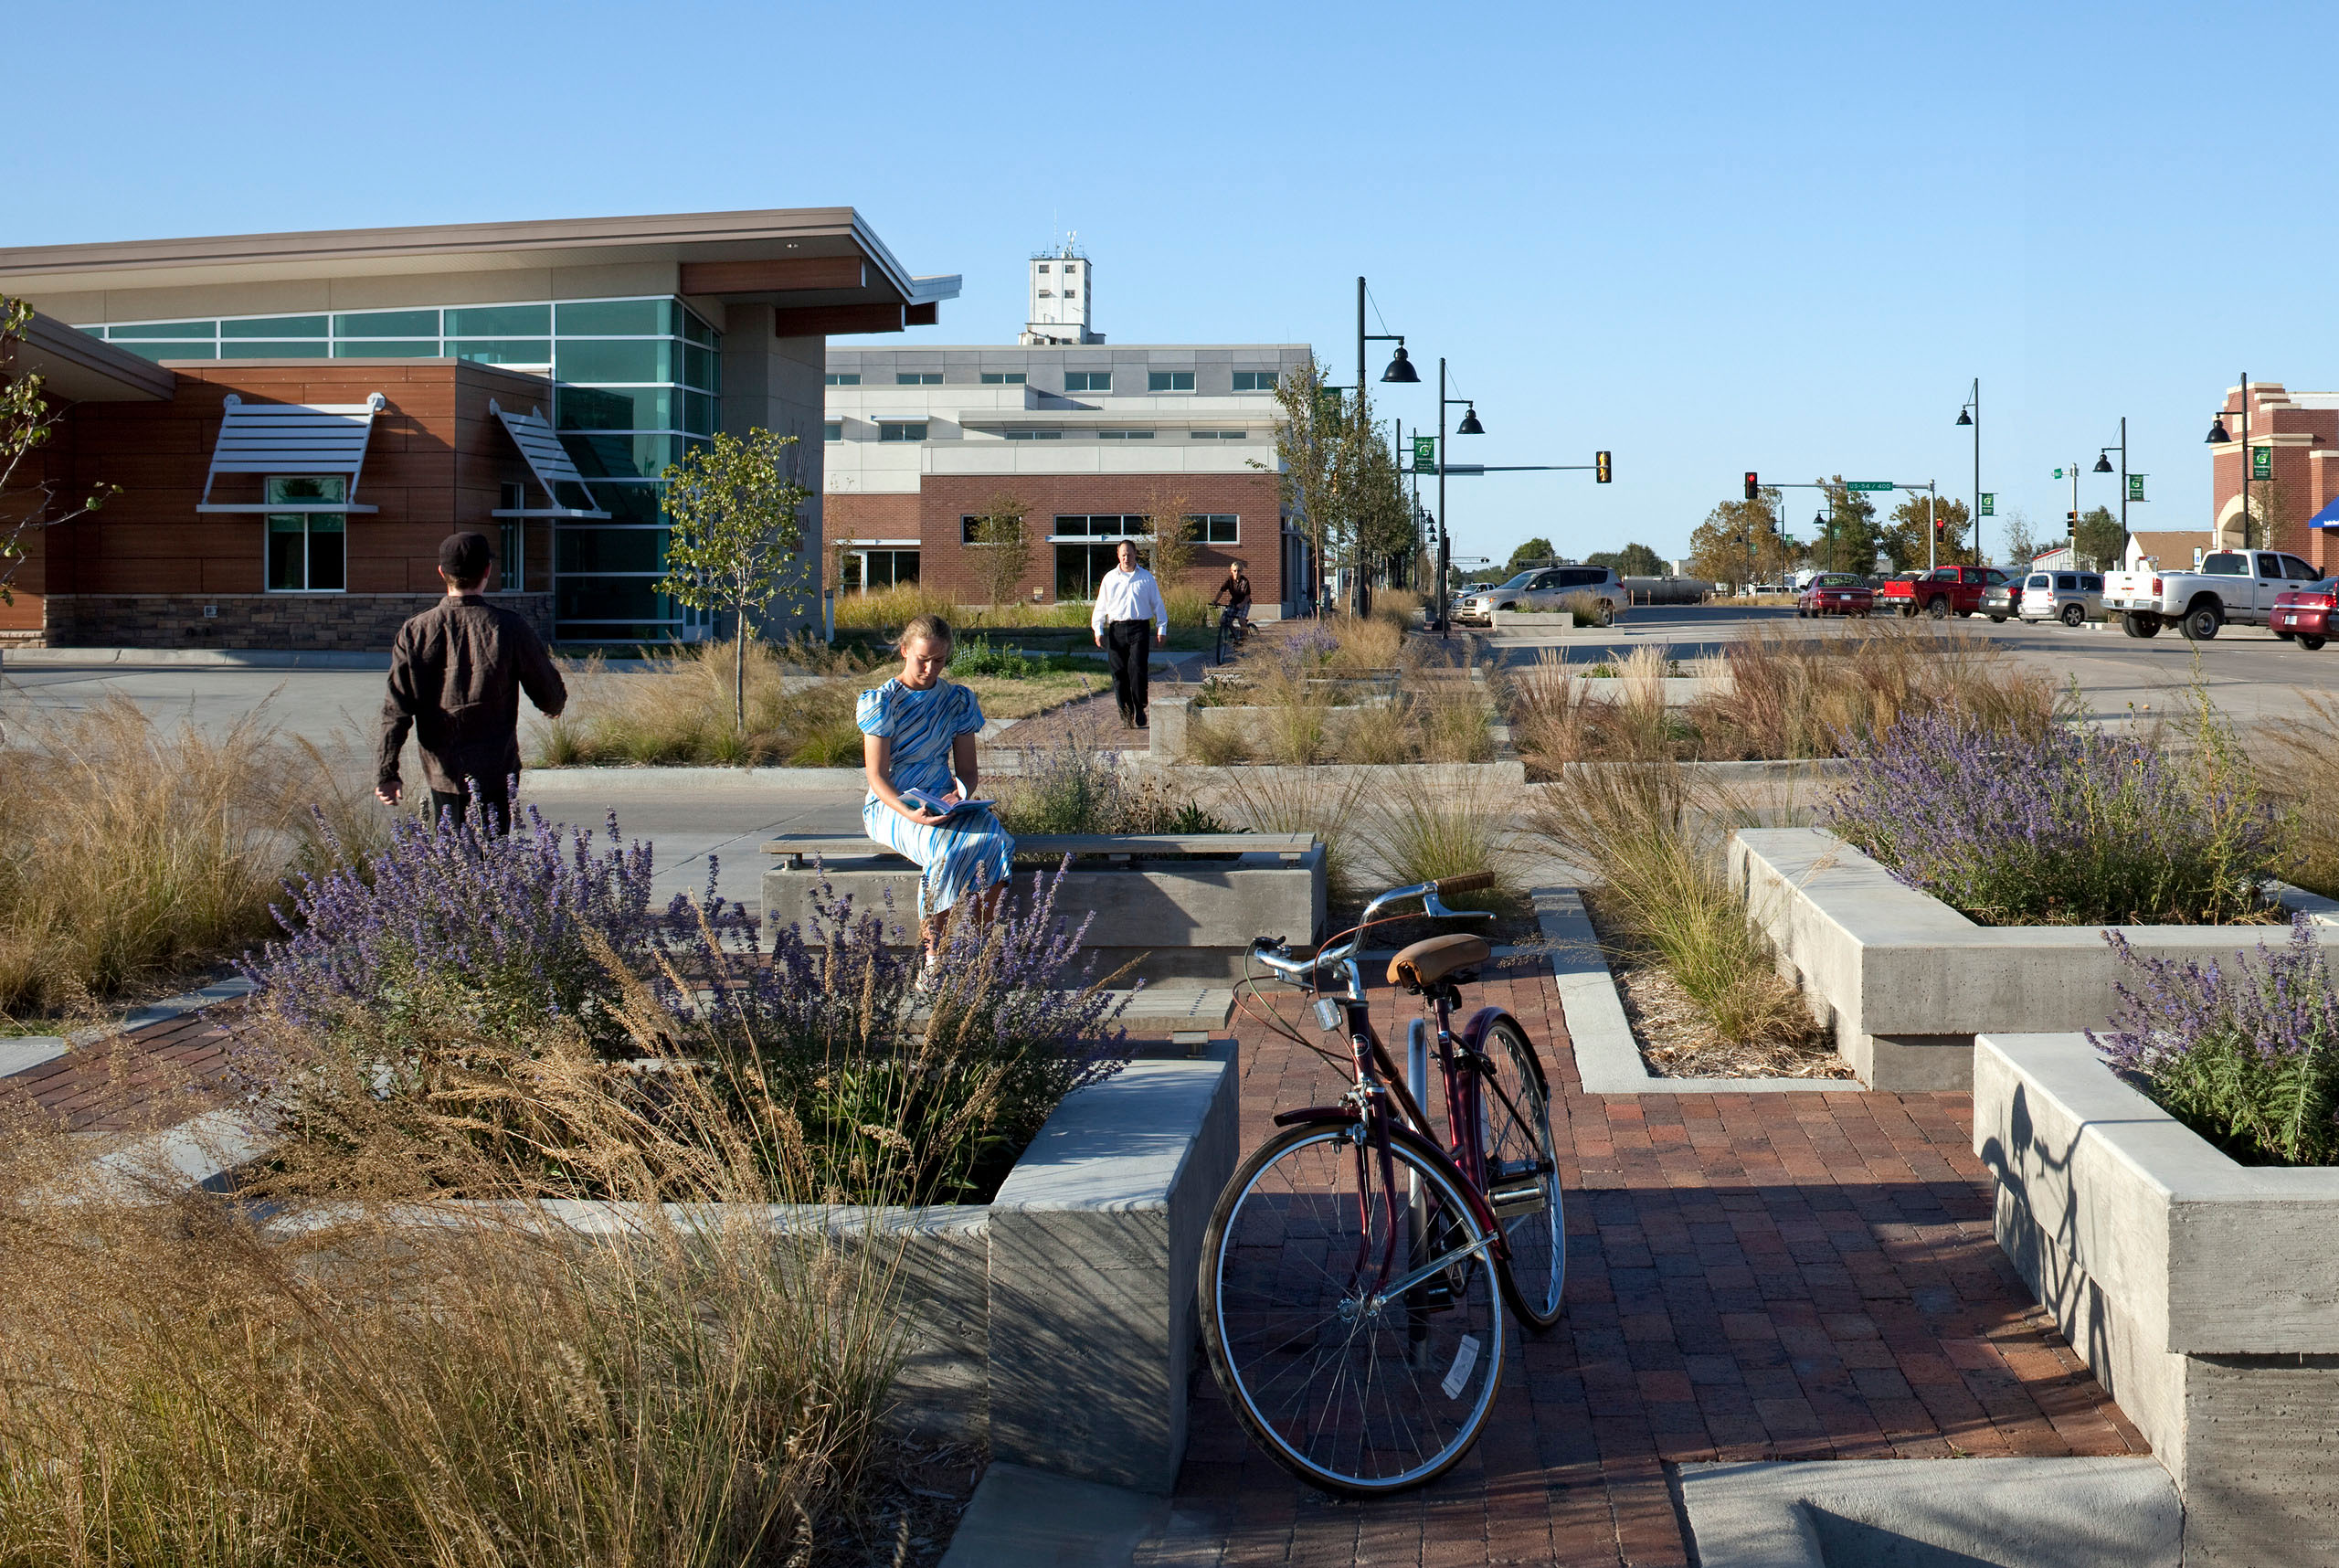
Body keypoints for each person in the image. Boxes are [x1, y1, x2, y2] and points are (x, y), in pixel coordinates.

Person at [376, 531, 566, 835]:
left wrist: (387, 772)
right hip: (496, 768)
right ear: (487, 571)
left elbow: (396, 709)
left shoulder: (415, 632)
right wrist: (552, 705)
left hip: (442, 770)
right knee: (494, 860)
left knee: (454, 863)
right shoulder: (508, 626)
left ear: (442, 573)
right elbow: (546, 687)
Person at [859, 613, 1014, 962]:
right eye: (922, 660)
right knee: (943, 850)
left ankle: (979, 951)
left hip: (943, 797)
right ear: (904, 651)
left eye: (939, 661)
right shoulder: (882, 701)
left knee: (995, 840)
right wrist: (909, 812)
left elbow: (969, 771)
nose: (930, 669)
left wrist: (960, 794)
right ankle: (934, 959)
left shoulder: (956, 700)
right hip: (892, 803)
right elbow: (877, 778)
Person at [1090, 538, 1168, 727]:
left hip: (1139, 628)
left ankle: (1139, 707)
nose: (1126, 558)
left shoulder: (1147, 578)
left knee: (1138, 670)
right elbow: (1101, 606)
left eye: (1129, 555)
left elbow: (1157, 604)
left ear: (1135, 555)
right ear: (1118, 555)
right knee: (1119, 674)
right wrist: (1098, 629)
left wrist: (1161, 628)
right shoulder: (1110, 578)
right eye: (1123, 555)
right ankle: (1126, 713)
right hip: (1116, 630)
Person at [1212, 559, 1254, 634]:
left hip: (1244, 602)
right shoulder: (1229, 580)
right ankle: (1235, 633)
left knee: (1241, 620)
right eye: (1235, 571)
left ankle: (1246, 640)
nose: (1237, 573)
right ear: (1231, 571)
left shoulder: (1245, 581)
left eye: (1239, 571)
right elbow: (1221, 591)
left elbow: (1247, 596)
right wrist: (1215, 601)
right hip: (1234, 602)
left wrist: (1242, 604)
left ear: (1241, 571)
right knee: (1223, 621)